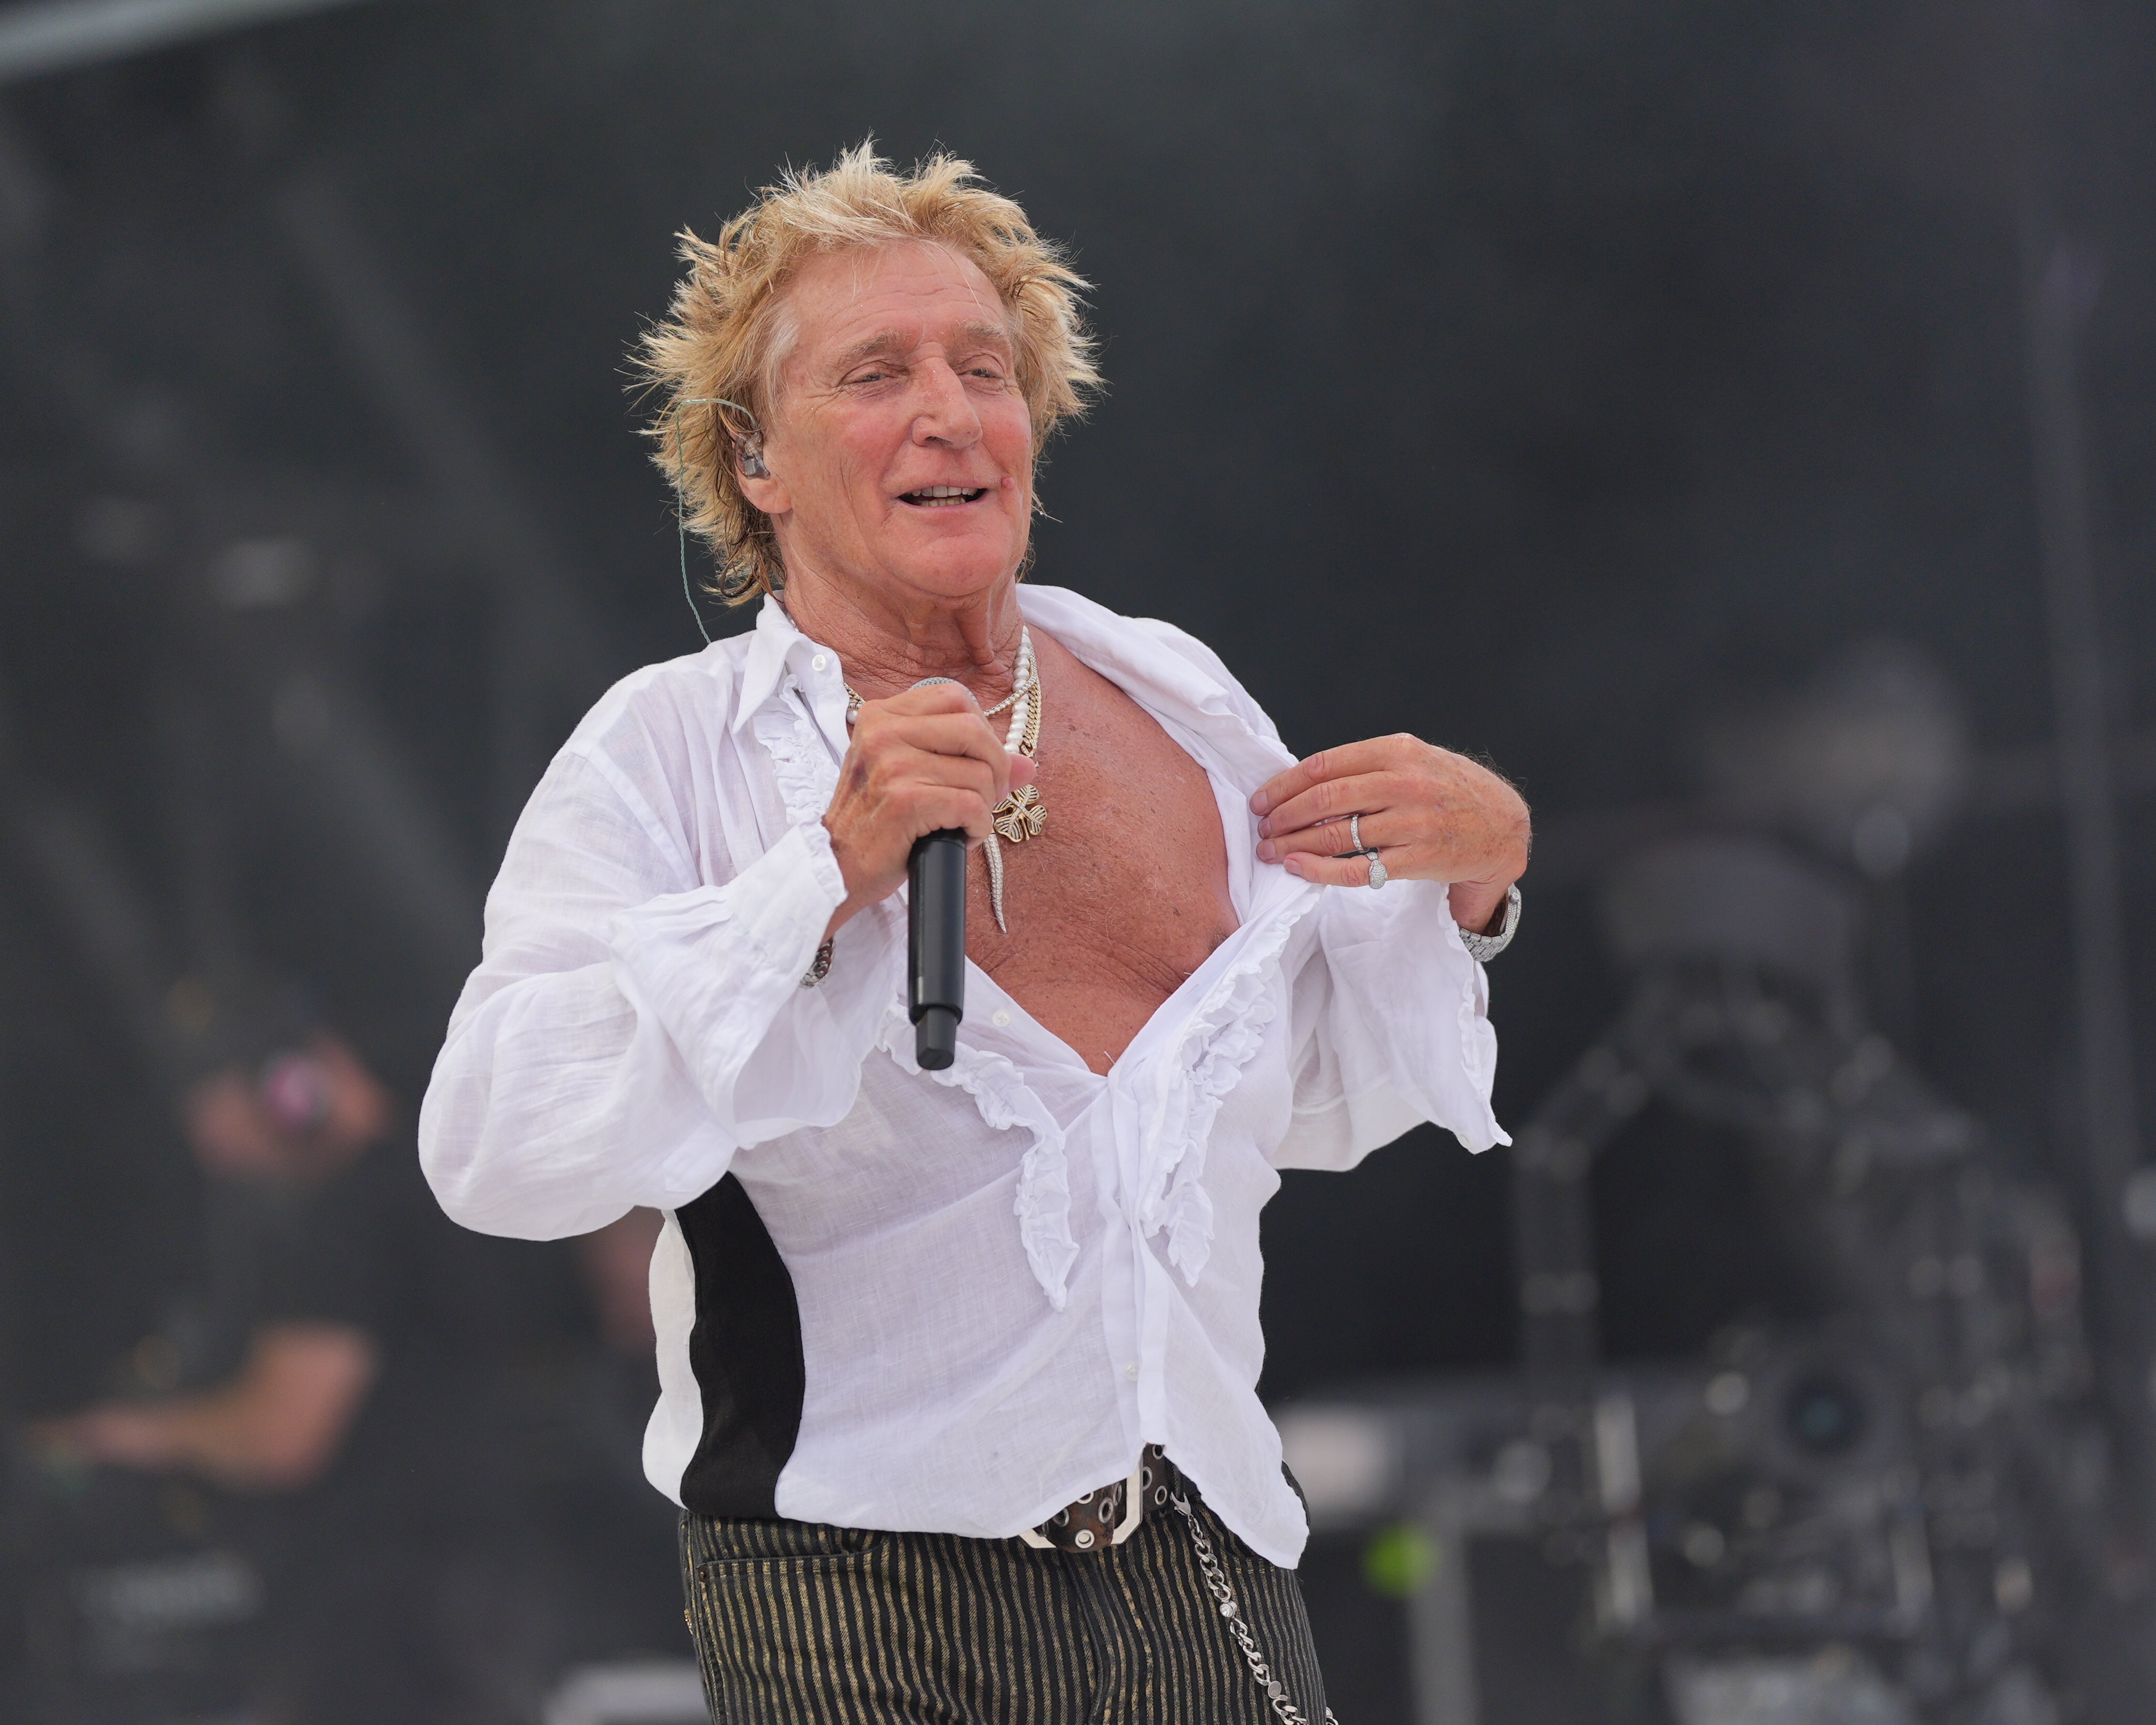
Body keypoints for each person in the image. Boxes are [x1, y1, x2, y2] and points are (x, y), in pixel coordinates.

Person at [421, 144, 1529, 1724]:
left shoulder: (1175, 697)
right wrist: (820, 880)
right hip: (862, 1588)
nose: (949, 411)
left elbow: (1299, 1103)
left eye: (985, 369)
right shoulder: (671, 752)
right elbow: (495, 1144)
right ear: (755, 461)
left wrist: (1473, 886)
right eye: (878, 374)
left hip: (1206, 1554)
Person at [53, 1003, 552, 1725]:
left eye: (225, 1126)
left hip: (396, 1624)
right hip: (460, 1595)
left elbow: (282, 1435)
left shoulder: (355, 1213)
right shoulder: (437, 1186)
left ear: (289, 1089)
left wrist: (139, 1433)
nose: (223, 1158)